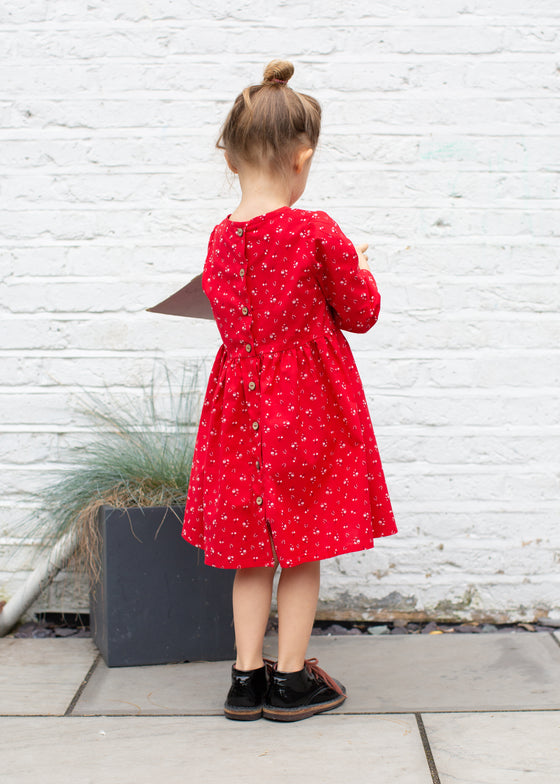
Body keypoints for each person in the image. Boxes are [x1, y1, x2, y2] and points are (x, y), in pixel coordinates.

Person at [181, 59, 398, 722]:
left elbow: (229, 316)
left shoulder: (221, 238)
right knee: (301, 547)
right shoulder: (314, 230)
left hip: (238, 410)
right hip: (304, 406)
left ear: (231, 159)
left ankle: (244, 679)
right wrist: (359, 267)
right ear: (302, 159)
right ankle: (291, 679)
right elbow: (359, 312)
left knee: (252, 550)